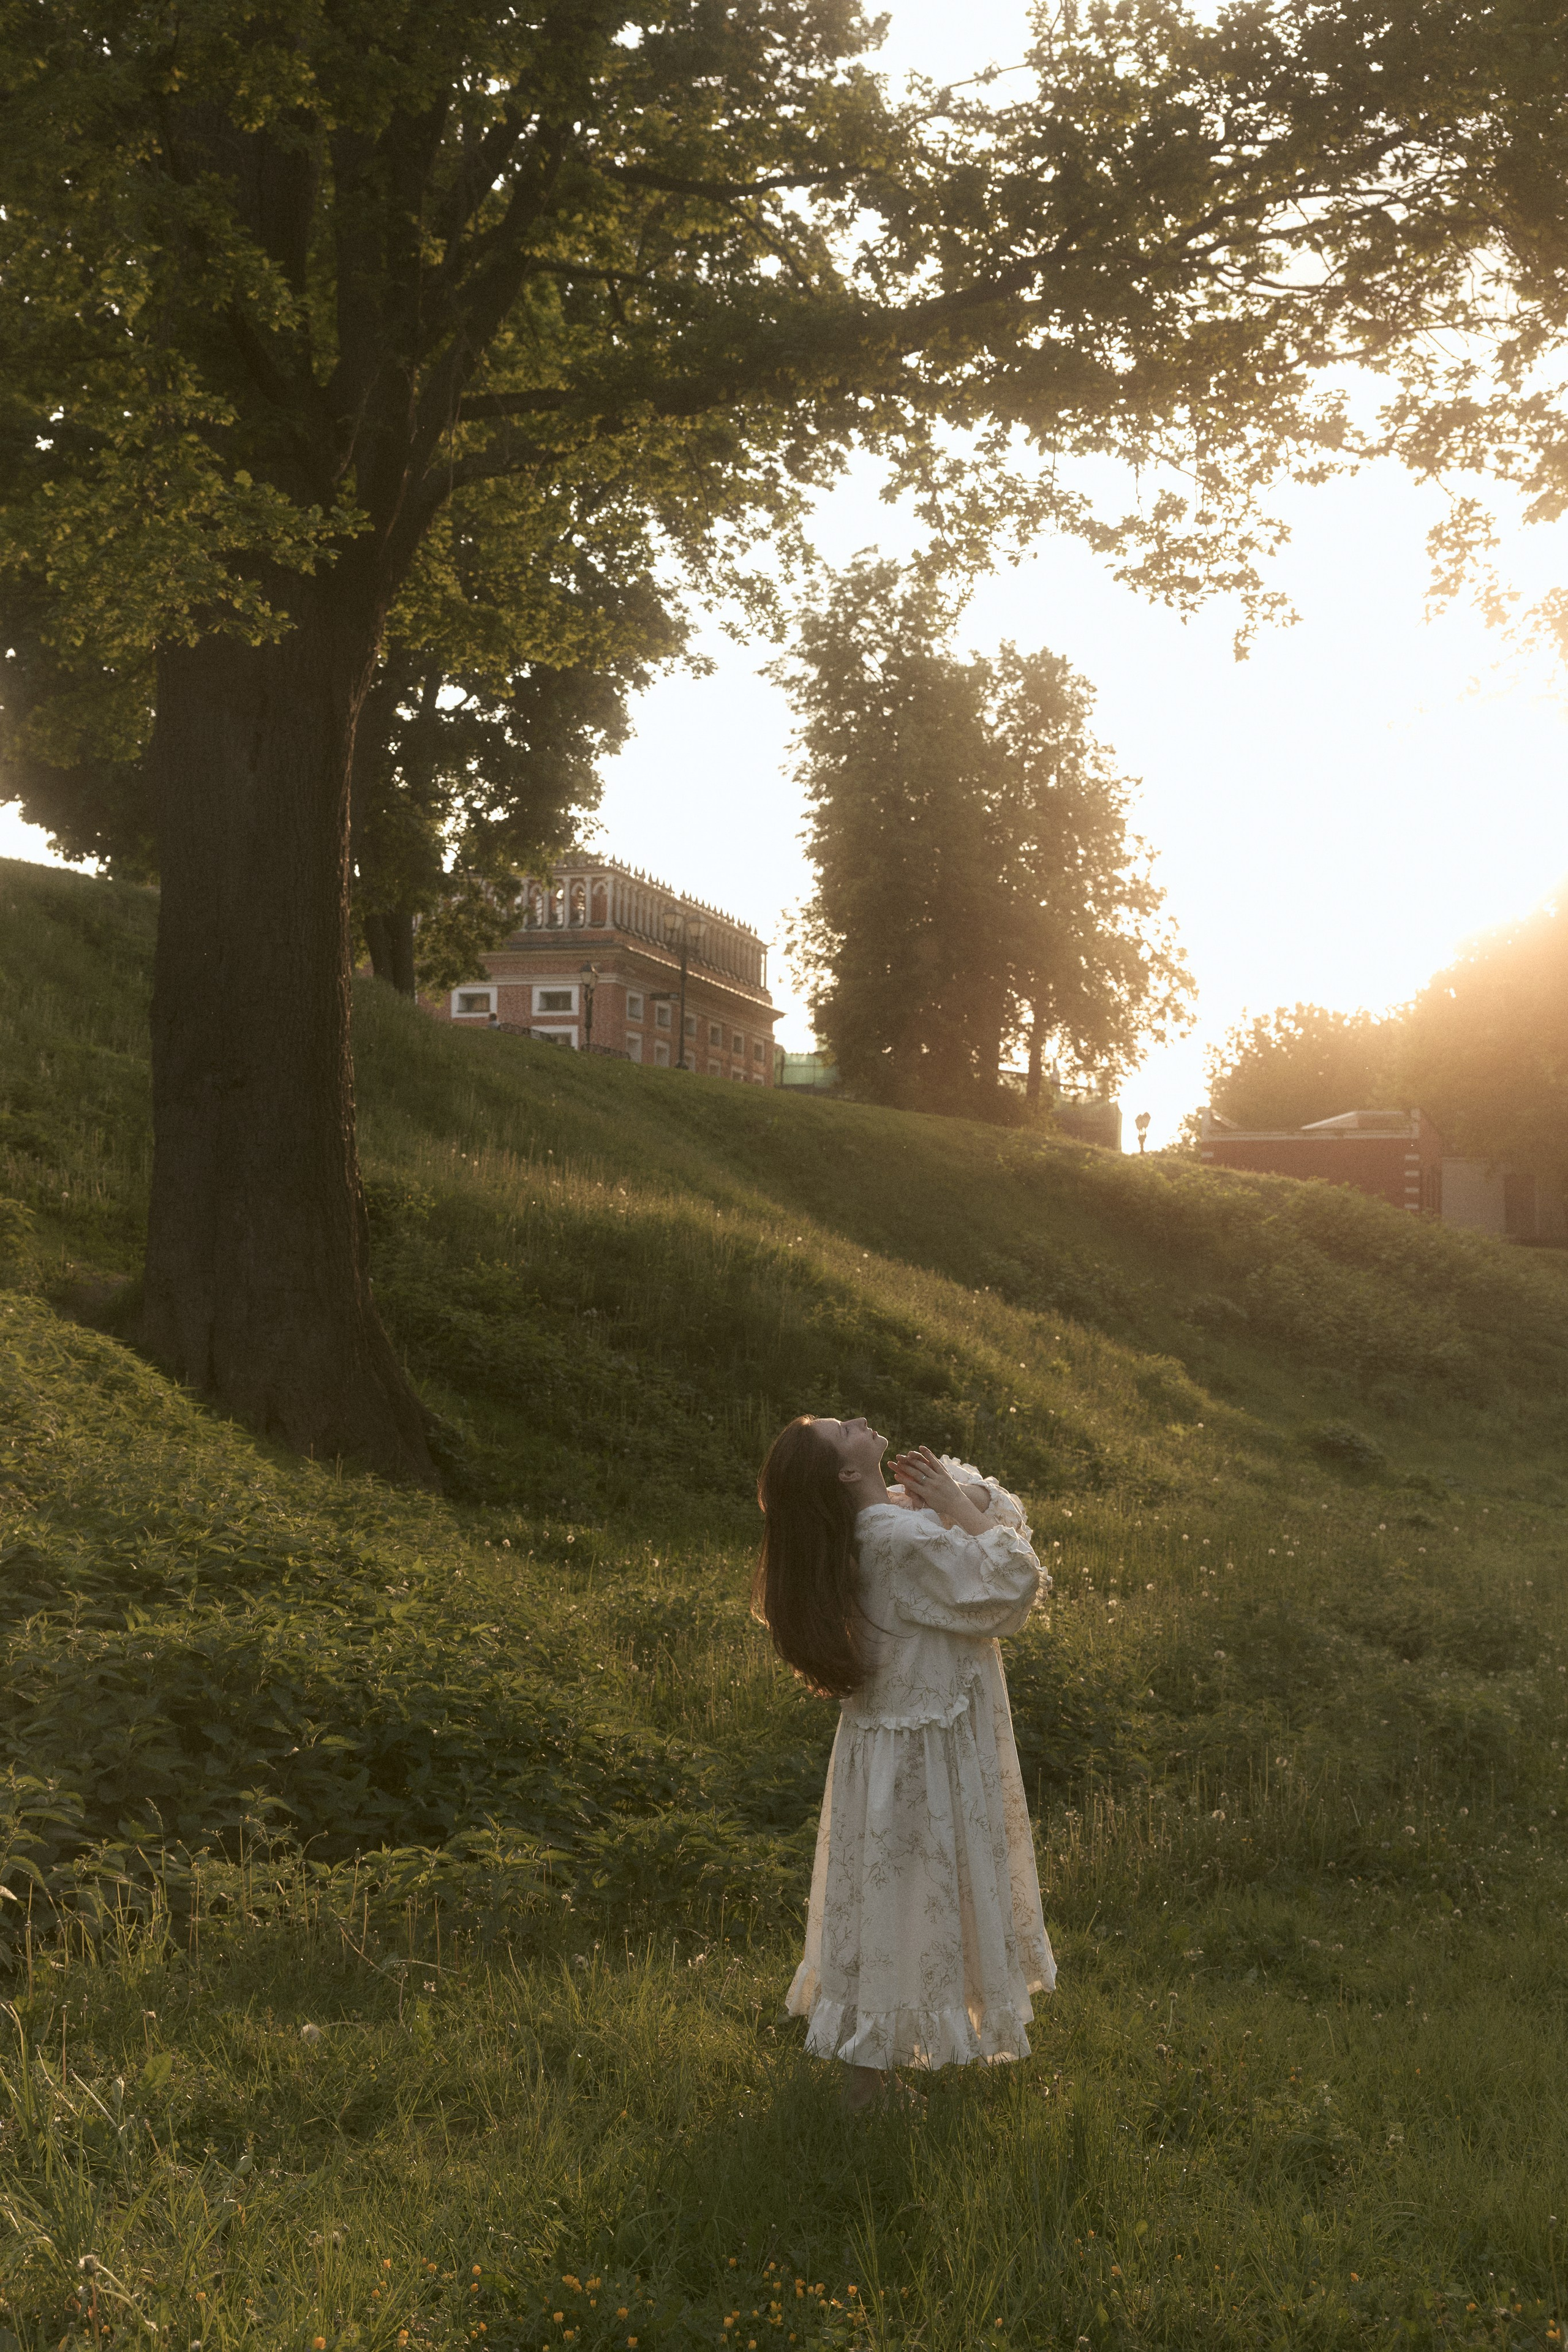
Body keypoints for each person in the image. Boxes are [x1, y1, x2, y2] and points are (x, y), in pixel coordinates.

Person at [754, 1414, 1055, 2113]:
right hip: (929, 1751)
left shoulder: (877, 1526)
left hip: (889, 1744)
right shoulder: (900, 1537)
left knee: (882, 1896)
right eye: (841, 1430)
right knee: (920, 1894)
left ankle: (871, 2074)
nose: (857, 1420)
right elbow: (1013, 1582)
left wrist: (954, 1501)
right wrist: (951, 1505)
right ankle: (870, 2085)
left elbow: (992, 1510)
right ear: (847, 1472)